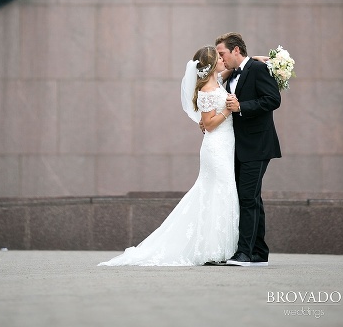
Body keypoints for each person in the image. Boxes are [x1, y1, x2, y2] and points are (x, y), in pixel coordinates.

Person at [98, 46, 239, 266]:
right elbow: (209, 125)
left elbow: (231, 71)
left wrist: (255, 59)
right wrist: (228, 110)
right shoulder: (207, 92)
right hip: (216, 147)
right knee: (217, 192)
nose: (223, 60)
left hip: (225, 145)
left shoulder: (216, 81)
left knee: (220, 191)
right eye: (219, 58)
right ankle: (211, 250)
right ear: (212, 65)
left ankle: (217, 247)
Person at [215, 32, 281, 267]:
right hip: (238, 147)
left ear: (235, 51)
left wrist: (242, 106)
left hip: (258, 145)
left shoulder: (257, 69)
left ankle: (243, 253)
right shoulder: (232, 72)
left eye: (222, 54)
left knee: (247, 198)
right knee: (252, 199)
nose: (219, 59)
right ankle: (259, 252)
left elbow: (273, 99)